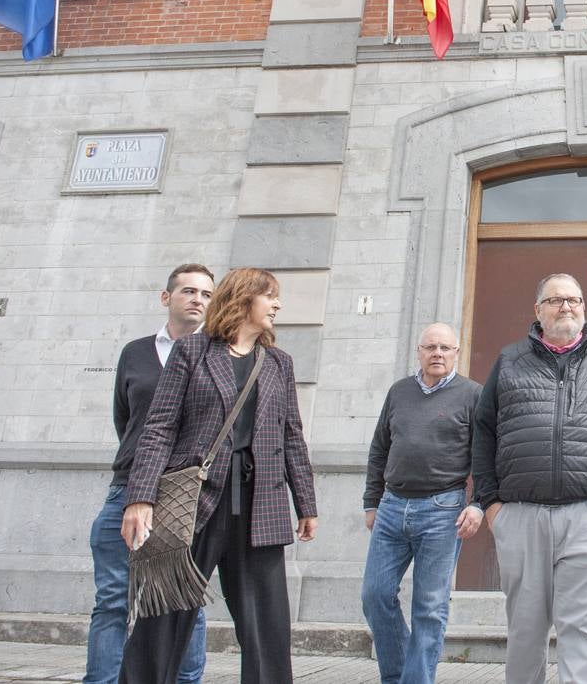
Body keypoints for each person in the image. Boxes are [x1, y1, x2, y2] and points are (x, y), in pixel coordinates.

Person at [118, 267, 318, 684]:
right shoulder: (193, 352)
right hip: (194, 503)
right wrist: (140, 497)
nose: (277, 305)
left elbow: (293, 436)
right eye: (270, 296)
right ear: (244, 299)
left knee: (267, 626)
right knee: (165, 616)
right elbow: (159, 427)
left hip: (260, 502)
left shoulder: (279, 362)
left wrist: (306, 504)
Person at [472, 272, 587, 684]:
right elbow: (482, 432)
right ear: (537, 311)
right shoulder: (509, 360)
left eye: (574, 300)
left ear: (584, 309)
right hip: (520, 515)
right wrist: (491, 505)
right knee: (525, 631)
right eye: (556, 301)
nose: (566, 307)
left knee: (585, 629)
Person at [84, 264, 215, 684]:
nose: (198, 300)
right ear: (167, 298)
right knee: (112, 602)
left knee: (182, 601)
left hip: (183, 496)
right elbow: (127, 420)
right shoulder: (135, 353)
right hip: (125, 489)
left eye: (207, 295)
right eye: (189, 291)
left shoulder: (217, 355)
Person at [361, 322, 483, 684]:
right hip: (392, 506)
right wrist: (372, 502)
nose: (437, 354)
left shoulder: (472, 394)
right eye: (430, 347)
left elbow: (483, 456)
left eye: (445, 348)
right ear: (419, 351)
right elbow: (379, 448)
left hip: (444, 509)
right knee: (375, 595)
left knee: (429, 607)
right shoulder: (399, 392)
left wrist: (476, 504)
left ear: (457, 353)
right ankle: (398, 675)